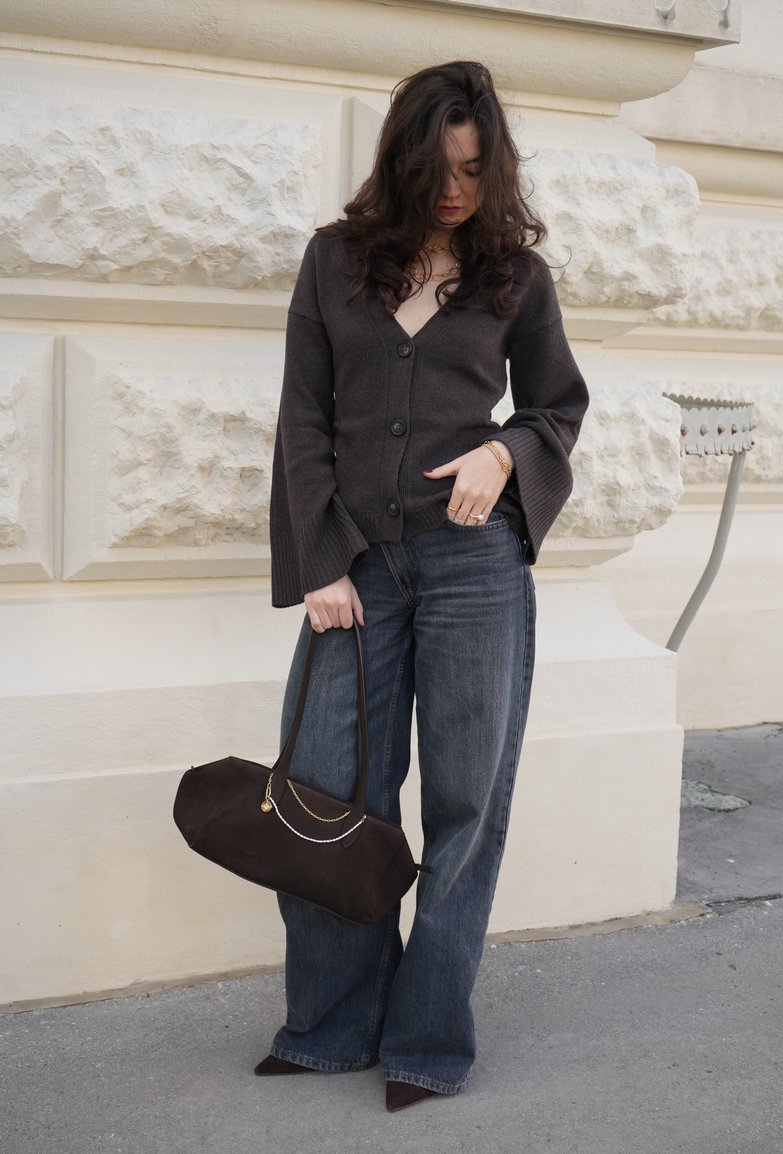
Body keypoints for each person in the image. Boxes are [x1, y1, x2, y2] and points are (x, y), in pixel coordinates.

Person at [260, 60, 589, 1111]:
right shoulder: (333, 261)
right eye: (436, 165)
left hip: (472, 569)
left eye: (473, 166)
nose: (454, 188)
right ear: (400, 160)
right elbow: (303, 419)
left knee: (462, 804)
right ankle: (325, 1024)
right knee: (324, 793)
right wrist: (319, 561)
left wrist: (504, 457)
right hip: (356, 569)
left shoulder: (514, 278)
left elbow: (555, 408)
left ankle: (425, 1039)